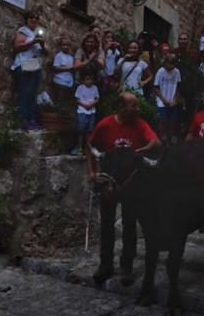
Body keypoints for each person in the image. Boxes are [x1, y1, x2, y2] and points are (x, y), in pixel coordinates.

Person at [87, 92, 161, 286]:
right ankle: (105, 265)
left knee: (129, 224)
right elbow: (90, 146)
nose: (138, 109)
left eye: (137, 106)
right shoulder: (105, 125)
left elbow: (156, 142)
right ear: (121, 107)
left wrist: (139, 152)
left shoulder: (140, 124)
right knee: (107, 225)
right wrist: (92, 172)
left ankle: (126, 266)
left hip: (131, 182)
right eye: (133, 106)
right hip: (109, 181)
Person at [9, 12, 46, 131]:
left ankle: (32, 120)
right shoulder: (23, 30)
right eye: (32, 18)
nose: (34, 20)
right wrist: (33, 42)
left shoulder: (37, 34)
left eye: (36, 18)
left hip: (35, 66)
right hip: (24, 65)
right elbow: (17, 47)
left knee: (33, 94)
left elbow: (46, 53)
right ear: (27, 19)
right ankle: (23, 120)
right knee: (25, 92)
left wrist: (42, 45)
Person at [153, 55, 182, 144]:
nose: (170, 68)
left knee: (173, 119)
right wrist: (163, 99)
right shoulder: (161, 72)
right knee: (163, 119)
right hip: (162, 99)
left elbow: (177, 86)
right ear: (165, 63)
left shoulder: (176, 71)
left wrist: (176, 99)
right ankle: (162, 136)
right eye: (168, 65)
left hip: (172, 98)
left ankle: (172, 136)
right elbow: (155, 87)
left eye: (172, 65)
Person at [72, 72, 99, 156]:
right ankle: (79, 147)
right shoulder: (80, 88)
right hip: (82, 111)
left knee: (89, 130)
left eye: (91, 79)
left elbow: (97, 98)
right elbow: (77, 99)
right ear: (83, 80)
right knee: (81, 129)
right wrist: (84, 105)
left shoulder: (94, 88)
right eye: (87, 79)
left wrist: (92, 104)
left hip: (91, 111)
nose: (89, 81)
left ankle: (88, 147)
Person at [50, 39, 78, 106]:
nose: (66, 47)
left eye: (67, 45)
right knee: (60, 102)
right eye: (64, 45)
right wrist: (68, 68)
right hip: (60, 82)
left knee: (66, 103)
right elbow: (55, 68)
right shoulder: (59, 55)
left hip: (69, 83)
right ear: (61, 46)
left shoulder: (71, 57)